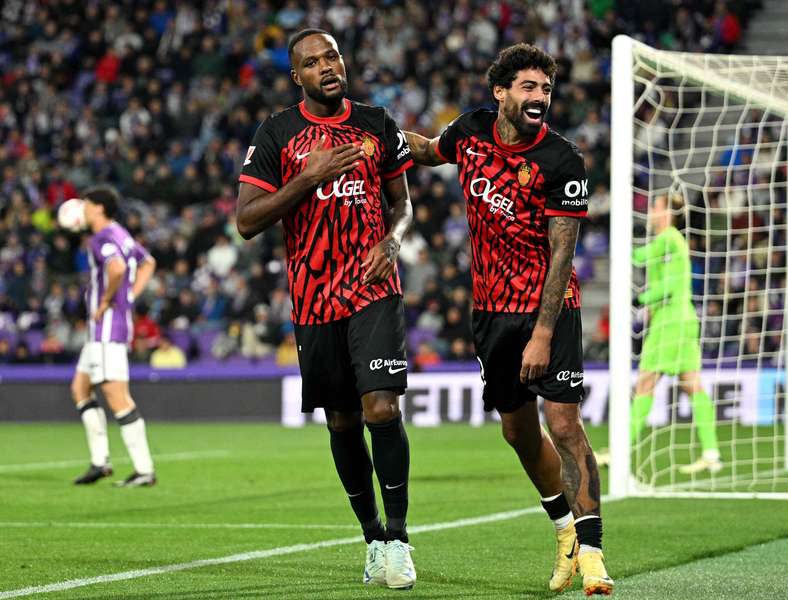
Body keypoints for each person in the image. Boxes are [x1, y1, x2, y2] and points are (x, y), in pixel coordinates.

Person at [403, 44, 613, 596]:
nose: (540, 96)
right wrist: (382, 134)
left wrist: (542, 333)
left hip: (550, 308)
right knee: (517, 430)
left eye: (545, 88)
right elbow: (429, 151)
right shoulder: (471, 130)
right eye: (529, 87)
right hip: (491, 311)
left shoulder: (563, 161)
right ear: (501, 92)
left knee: (564, 424)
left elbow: (562, 252)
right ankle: (564, 530)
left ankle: (592, 554)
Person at [236, 29, 416, 590]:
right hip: (314, 298)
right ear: (297, 78)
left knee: (381, 409)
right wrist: (306, 178)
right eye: (312, 63)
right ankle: (371, 539)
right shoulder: (276, 133)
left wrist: (393, 240)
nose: (326, 67)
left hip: (372, 286)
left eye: (332, 56)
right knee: (341, 420)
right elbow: (246, 220)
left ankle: (400, 538)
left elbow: (402, 203)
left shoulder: (377, 123)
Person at [71, 185, 158, 487]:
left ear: (97, 208)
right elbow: (148, 262)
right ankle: (100, 462)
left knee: (116, 396)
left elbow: (117, 268)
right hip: (103, 329)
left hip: (108, 327)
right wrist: (130, 297)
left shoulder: (102, 237)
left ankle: (144, 469)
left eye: (85, 204)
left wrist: (108, 300)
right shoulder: (121, 233)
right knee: (80, 388)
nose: (81, 209)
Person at [630, 193, 721, 474]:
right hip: (684, 318)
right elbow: (641, 256)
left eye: (654, 207)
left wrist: (641, 300)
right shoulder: (668, 241)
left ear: (667, 213)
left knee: (645, 383)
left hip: (670, 320)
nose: (650, 212)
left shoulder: (669, 239)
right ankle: (711, 453)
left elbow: (669, 284)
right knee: (692, 383)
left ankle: (621, 449)